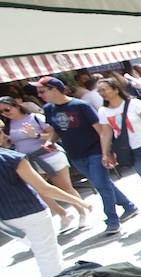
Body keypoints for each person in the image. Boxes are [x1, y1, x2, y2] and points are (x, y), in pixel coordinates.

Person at [35, 77, 138, 237]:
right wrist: (50, 141)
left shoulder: (80, 106)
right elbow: (55, 130)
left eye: (42, 91)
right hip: (75, 154)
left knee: (101, 184)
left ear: (54, 89)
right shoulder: (49, 109)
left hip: (94, 150)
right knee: (101, 182)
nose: (39, 95)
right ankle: (128, 205)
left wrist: (107, 152)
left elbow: (100, 129)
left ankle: (112, 220)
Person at [0, 148, 87, 277]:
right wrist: (78, 201)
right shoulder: (11, 158)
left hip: (8, 220)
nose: (6, 136)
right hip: (32, 213)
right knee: (48, 256)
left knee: (48, 254)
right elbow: (45, 188)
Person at [0, 96, 82, 228]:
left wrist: (36, 135)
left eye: (7, 109)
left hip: (49, 155)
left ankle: (82, 210)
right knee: (40, 190)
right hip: (29, 160)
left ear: (16, 105)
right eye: (1, 112)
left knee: (65, 187)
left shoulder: (35, 118)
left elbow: (53, 134)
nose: (5, 113)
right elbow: (9, 143)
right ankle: (63, 214)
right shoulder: (8, 126)